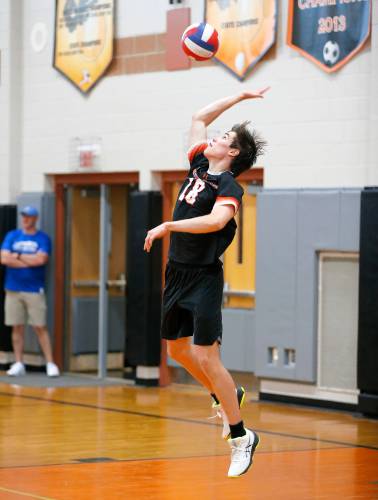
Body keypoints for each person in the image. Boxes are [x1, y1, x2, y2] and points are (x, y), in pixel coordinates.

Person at [144, 89, 268, 477]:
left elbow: (215, 222)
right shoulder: (198, 164)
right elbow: (199, 115)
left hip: (203, 278)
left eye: (224, 139)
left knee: (205, 357)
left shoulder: (229, 188)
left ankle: (240, 436)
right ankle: (225, 393)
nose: (214, 137)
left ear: (231, 154)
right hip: (176, 272)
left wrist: (169, 224)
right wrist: (241, 96)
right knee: (177, 352)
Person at [0, 206, 60, 377]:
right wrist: (27, 260)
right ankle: (19, 362)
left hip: (34, 289)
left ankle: (50, 362)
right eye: (24, 216)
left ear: (35, 218)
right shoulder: (12, 235)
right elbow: (4, 258)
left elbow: (41, 260)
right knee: (16, 326)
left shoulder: (42, 238)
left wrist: (17, 256)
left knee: (39, 326)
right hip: (13, 288)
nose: (26, 219)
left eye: (29, 217)